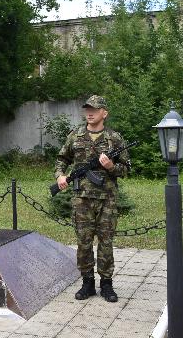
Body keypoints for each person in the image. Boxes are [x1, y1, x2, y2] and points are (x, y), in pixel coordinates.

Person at [54, 95, 131, 303]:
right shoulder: (75, 135)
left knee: (106, 242)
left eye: (94, 109)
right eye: (87, 109)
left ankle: (106, 284)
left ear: (104, 113)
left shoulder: (114, 138)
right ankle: (87, 282)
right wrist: (60, 175)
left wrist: (110, 167)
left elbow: (126, 169)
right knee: (84, 243)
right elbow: (62, 159)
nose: (89, 112)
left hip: (107, 199)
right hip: (82, 199)